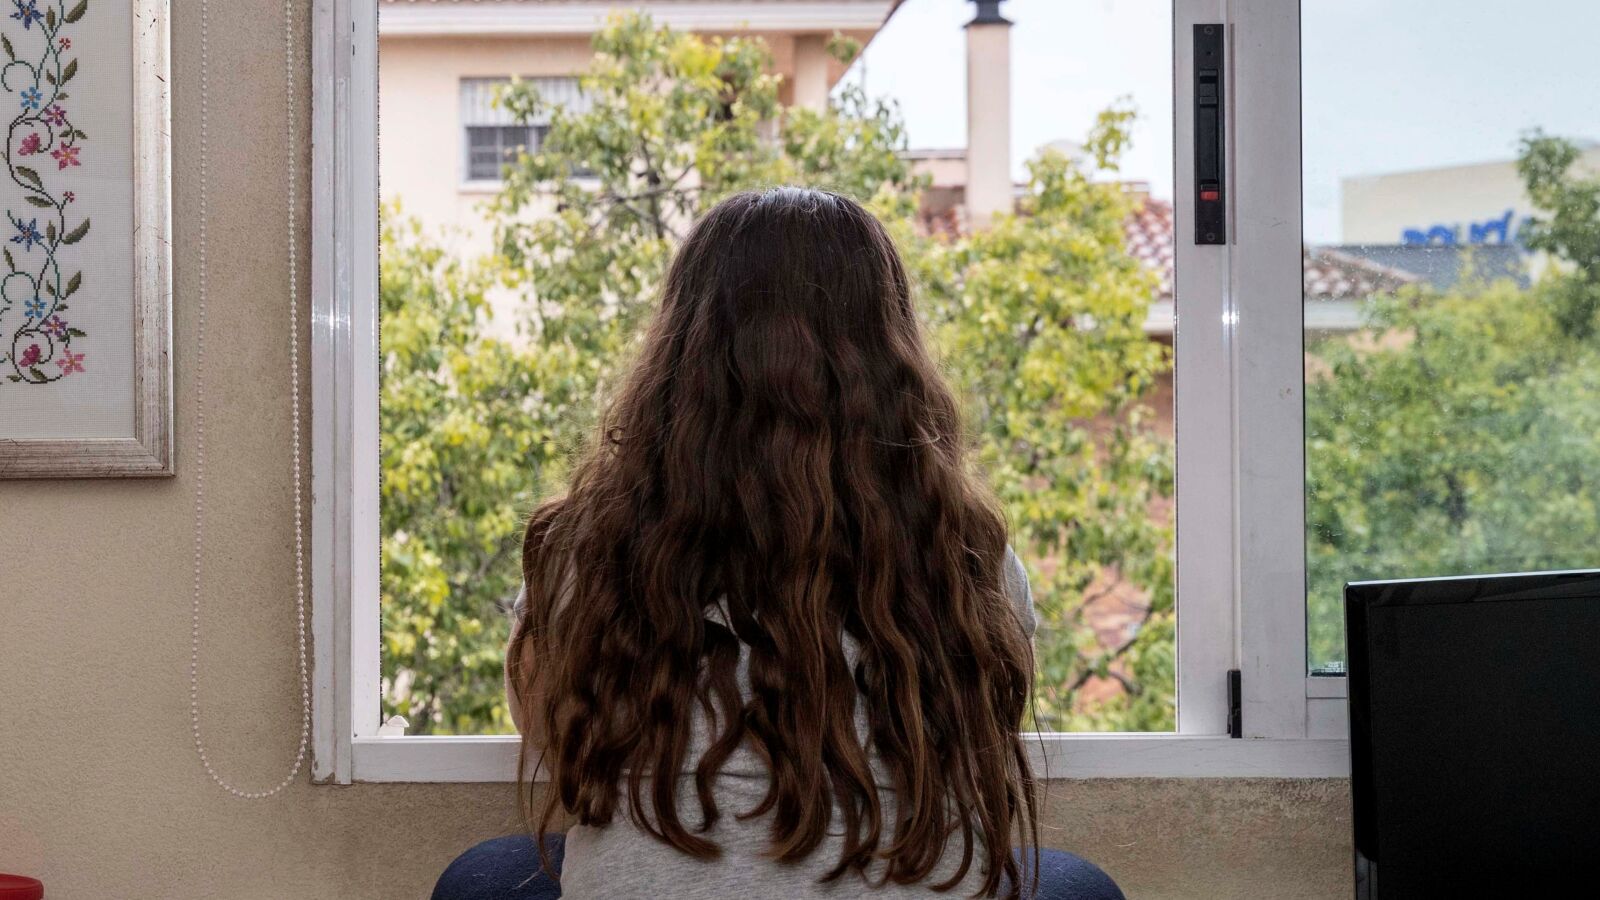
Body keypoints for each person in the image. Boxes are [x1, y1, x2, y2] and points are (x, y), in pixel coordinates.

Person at [433, 188, 1124, 900]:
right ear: (890, 351)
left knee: (483, 878)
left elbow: (549, 735)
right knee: (1080, 886)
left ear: (681, 348)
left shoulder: (581, 544)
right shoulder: (968, 552)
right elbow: (986, 735)